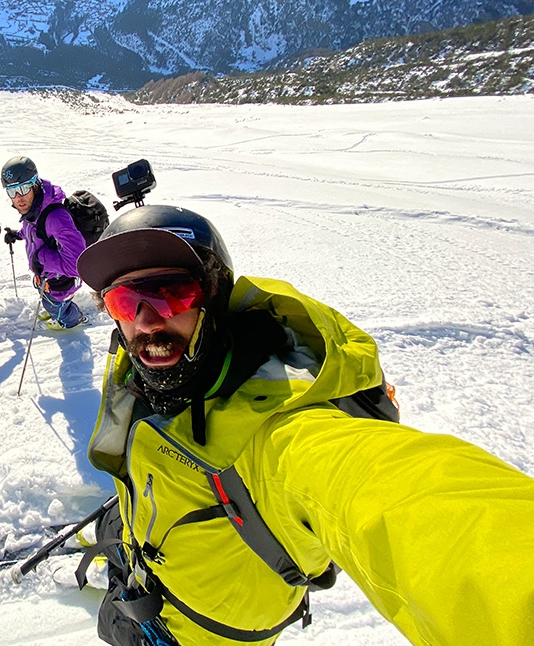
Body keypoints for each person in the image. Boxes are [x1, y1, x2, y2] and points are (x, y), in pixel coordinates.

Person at [74, 204, 534, 646]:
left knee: (113, 624)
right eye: (124, 300)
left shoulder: (281, 433)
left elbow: (415, 501)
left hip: (199, 632)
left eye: (171, 294)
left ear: (213, 298)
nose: (147, 320)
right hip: (157, 544)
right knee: (113, 525)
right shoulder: (151, 375)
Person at [0, 156, 87, 330]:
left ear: (35, 185)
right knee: (48, 299)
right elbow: (36, 231)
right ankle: (56, 309)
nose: (18, 198)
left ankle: (71, 320)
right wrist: (19, 235)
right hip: (47, 276)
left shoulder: (56, 217)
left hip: (61, 282)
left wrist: (41, 258)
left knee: (56, 305)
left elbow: (78, 264)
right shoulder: (33, 210)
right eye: (11, 191)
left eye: (23, 189)